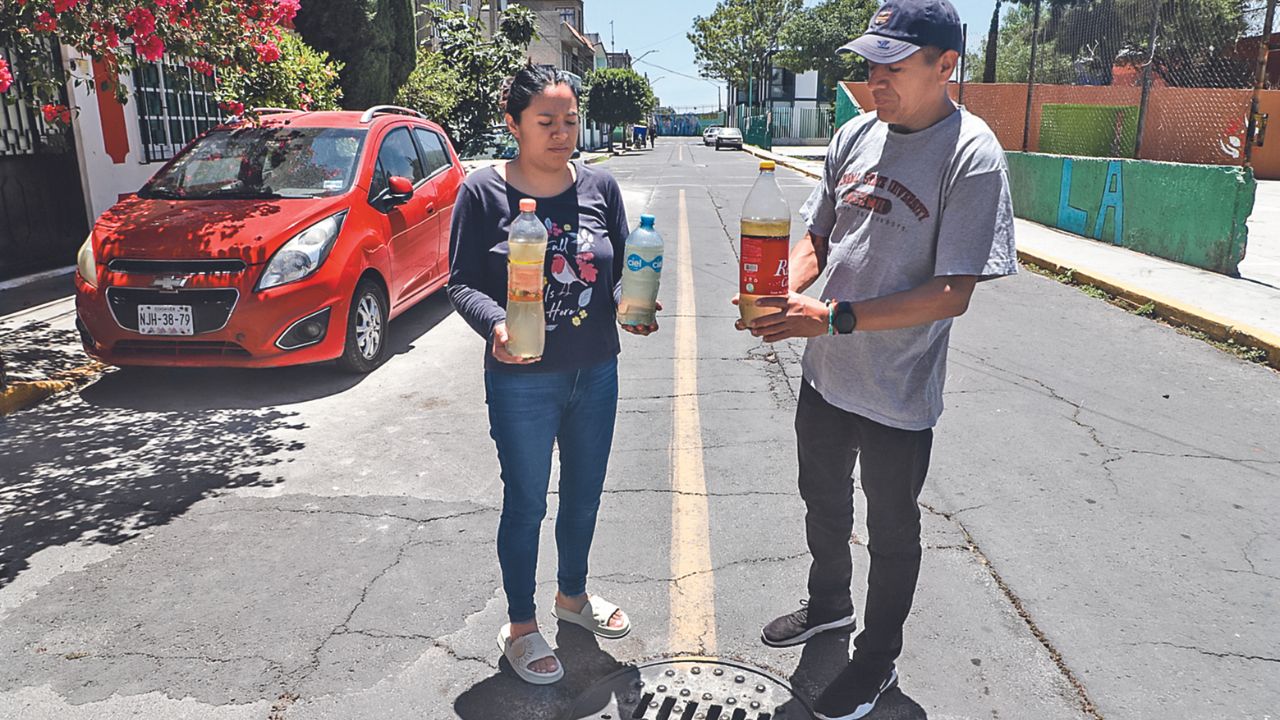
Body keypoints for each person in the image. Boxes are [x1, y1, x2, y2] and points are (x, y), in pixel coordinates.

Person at [735, 0, 1017, 717]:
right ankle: (829, 604)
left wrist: (831, 317)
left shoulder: (972, 154)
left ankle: (878, 660)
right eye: (869, 65)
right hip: (826, 377)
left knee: (892, 530)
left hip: (897, 389)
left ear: (944, 65)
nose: (873, 80)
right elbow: (819, 235)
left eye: (892, 67)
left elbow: (953, 292)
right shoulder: (855, 133)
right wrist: (780, 291)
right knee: (822, 502)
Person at [448, 64, 660, 686]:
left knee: (586, 494)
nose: (562, 132)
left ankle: (572, 598)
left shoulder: (601, 186)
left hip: (595, 370)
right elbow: (459, 282)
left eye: (570, 120)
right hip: (523, 378)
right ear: (513, 123)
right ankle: (519, 624)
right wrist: (495, 326)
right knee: (526, 502)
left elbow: (619, 266)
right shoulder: (484, 193)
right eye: (546, 121)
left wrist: (631, 301)